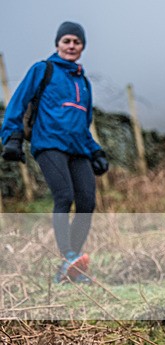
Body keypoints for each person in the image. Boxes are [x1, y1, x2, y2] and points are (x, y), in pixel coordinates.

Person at [1, 21, 108, 284]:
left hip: (78, 149)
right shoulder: (43, 69)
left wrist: (95, 151)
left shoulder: (83, 82)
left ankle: (71, 264)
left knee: (87, 202)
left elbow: (84, 123)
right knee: (65, 196)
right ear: (57, 44)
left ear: (82, 47)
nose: (72, 46)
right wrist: (11, 136)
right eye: (67, 41)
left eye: (77, 42)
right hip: (49, 144)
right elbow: (18, 102)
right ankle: (69, 256)